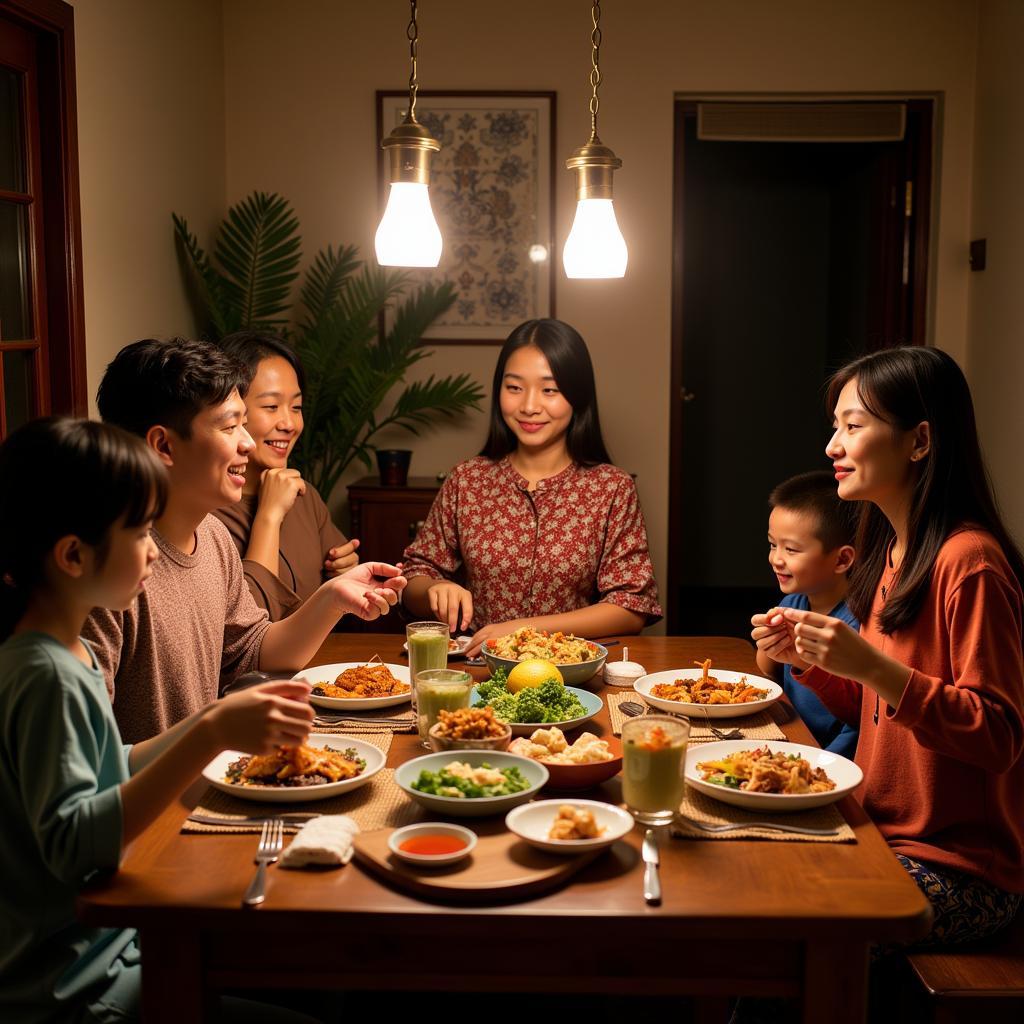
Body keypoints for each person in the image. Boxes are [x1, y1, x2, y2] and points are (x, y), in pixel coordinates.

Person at [0, 417, 318, 1022]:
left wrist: (215, 721)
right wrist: (210, 733)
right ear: (73, 555)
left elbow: (106, 769)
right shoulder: (45, 676)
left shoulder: (70, 652)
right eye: (140, 531)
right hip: (74, 988)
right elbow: (75, 847)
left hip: (113, 950)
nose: (154, 549)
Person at [752, 346, 1024, 947]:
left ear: (919, 441)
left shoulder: (969, 562)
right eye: (835, 427)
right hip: (878, 826)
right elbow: (869, 709)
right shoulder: (891, 555)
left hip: (957, 869)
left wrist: (873, 665)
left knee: (779, 928)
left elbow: (999, 735)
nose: (832, 446)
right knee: (741, 876)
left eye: (852, 426)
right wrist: (812, 663)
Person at [83, 338, 405, 743]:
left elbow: (254, 650)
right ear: (163, 445)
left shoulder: (211, 537)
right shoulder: (109, 572)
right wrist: (213, 732)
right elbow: (91, 766)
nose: (248, 443)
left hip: (201, 783)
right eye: (229, 426)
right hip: (154, 802)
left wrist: (332, 598)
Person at [401, 318, 661, 655]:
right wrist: (434, 588)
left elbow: (630, 607)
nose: (529, 406)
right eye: (514, 387)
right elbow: (412, 578)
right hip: (480, 671)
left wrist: (523, 630)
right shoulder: (467, 479)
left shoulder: (612, 488)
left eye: (549, 390)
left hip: (570, 673)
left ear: (578, 395)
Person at [212, 330, 359, 620]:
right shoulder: (206, 509)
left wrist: (345, 572)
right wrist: (269, 514)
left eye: (296, 407)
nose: (290, 424)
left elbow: (345, 587)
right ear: (231, 410)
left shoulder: (304, 495)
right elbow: (248, 629)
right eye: (271, 407)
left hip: (314, 665)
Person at [755, 470, 860, 758]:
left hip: (826, 758)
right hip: (791, 736)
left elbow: (857, 723)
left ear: (842, 559)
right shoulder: (794, 602)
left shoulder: (856, 625)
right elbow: (767, 668)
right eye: (772, 544)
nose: (776, 559)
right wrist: (769, 641)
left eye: (791, 549)